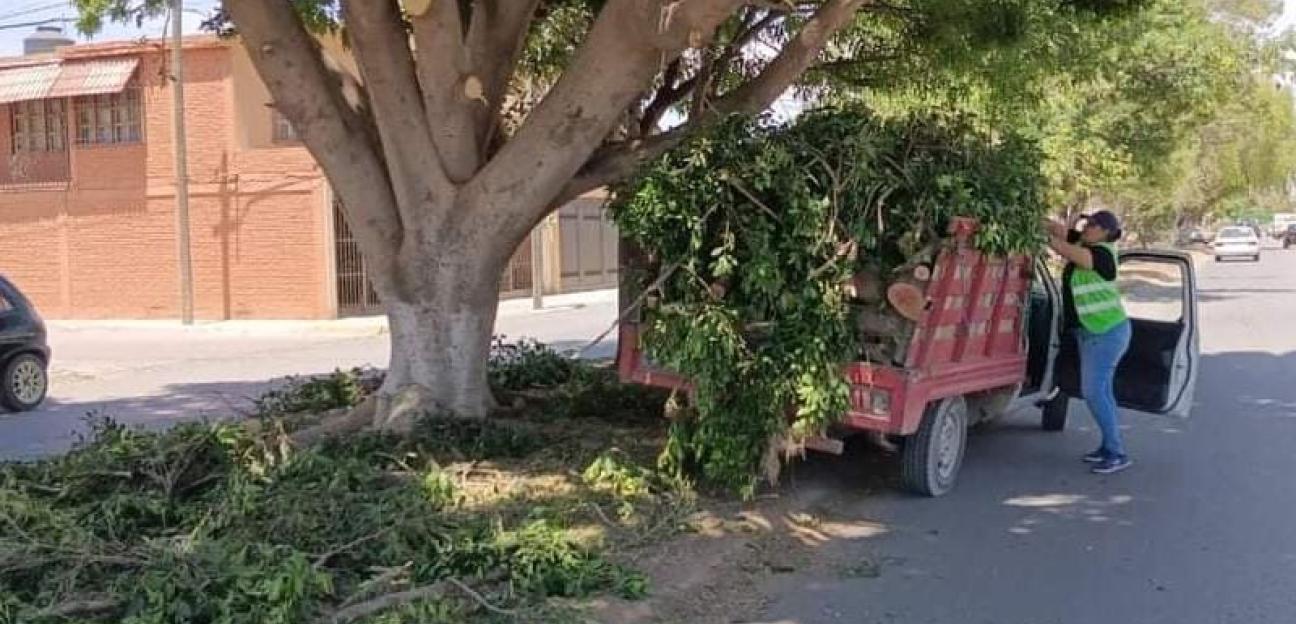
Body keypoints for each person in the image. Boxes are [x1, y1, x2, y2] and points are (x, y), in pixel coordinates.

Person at [1042, 210, 1133, 475]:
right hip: (1091, 331)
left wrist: (1044, 239)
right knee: (1103, 392)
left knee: (1093, 392)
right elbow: (1058, 230)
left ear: (1105, 231)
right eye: (1086, 222)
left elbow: (1065, 249)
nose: (1086, 227)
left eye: (1092, 224)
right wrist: (1033, 219)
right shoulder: (1086, 242)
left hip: (1105, 333)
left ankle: (1117, 453)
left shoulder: (1102, 254)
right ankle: (1109, 446)